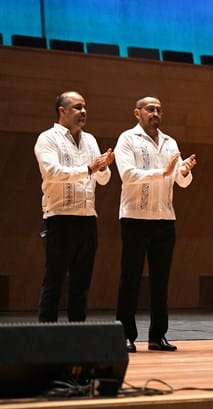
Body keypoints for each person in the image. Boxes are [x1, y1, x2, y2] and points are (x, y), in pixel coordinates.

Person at [114, 96, 197, 353]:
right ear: (137, 113)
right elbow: (128, 176)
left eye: (159, 109)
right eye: (150, 109)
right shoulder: (127, 139)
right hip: (135, 218)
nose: (156, 113)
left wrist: (183, 171)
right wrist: (163, 173)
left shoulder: (170, 141)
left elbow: (181, 182)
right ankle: (125, 335)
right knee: (131, 279)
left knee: (161, 281)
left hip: (164, 218)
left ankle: (157, 336)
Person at [34, 91, 113, 323]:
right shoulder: (47, 139)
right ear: (62, 111)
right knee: (54, 283)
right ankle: (46, 342)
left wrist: (103, 166)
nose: (83, 112)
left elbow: (104, 179)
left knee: (81, 286)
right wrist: (89, 168)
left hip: (88, 219)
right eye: (78, 107)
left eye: (85, 107)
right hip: (59, 218)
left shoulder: (90, 140)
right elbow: (52, 172)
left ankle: (78, 342)